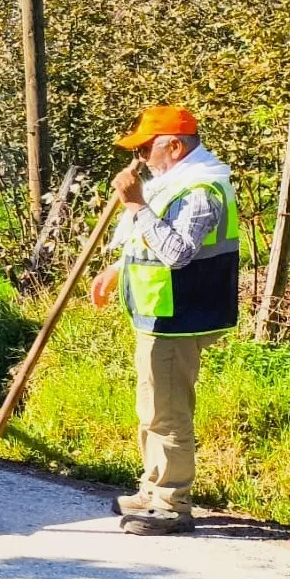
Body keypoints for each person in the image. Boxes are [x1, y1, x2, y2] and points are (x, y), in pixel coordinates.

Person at [88, 106, 240, 536]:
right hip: (158, 312)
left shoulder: (201, 189)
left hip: (182, 314)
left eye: (144, 148)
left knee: (168, 413)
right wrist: (117, 268)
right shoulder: (172, 183)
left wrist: (135, 204)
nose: (138, 158)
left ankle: (172, 504)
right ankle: (152, 488)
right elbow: (148, 239)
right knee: (150, 407)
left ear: (174, 146)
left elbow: (175, 252)